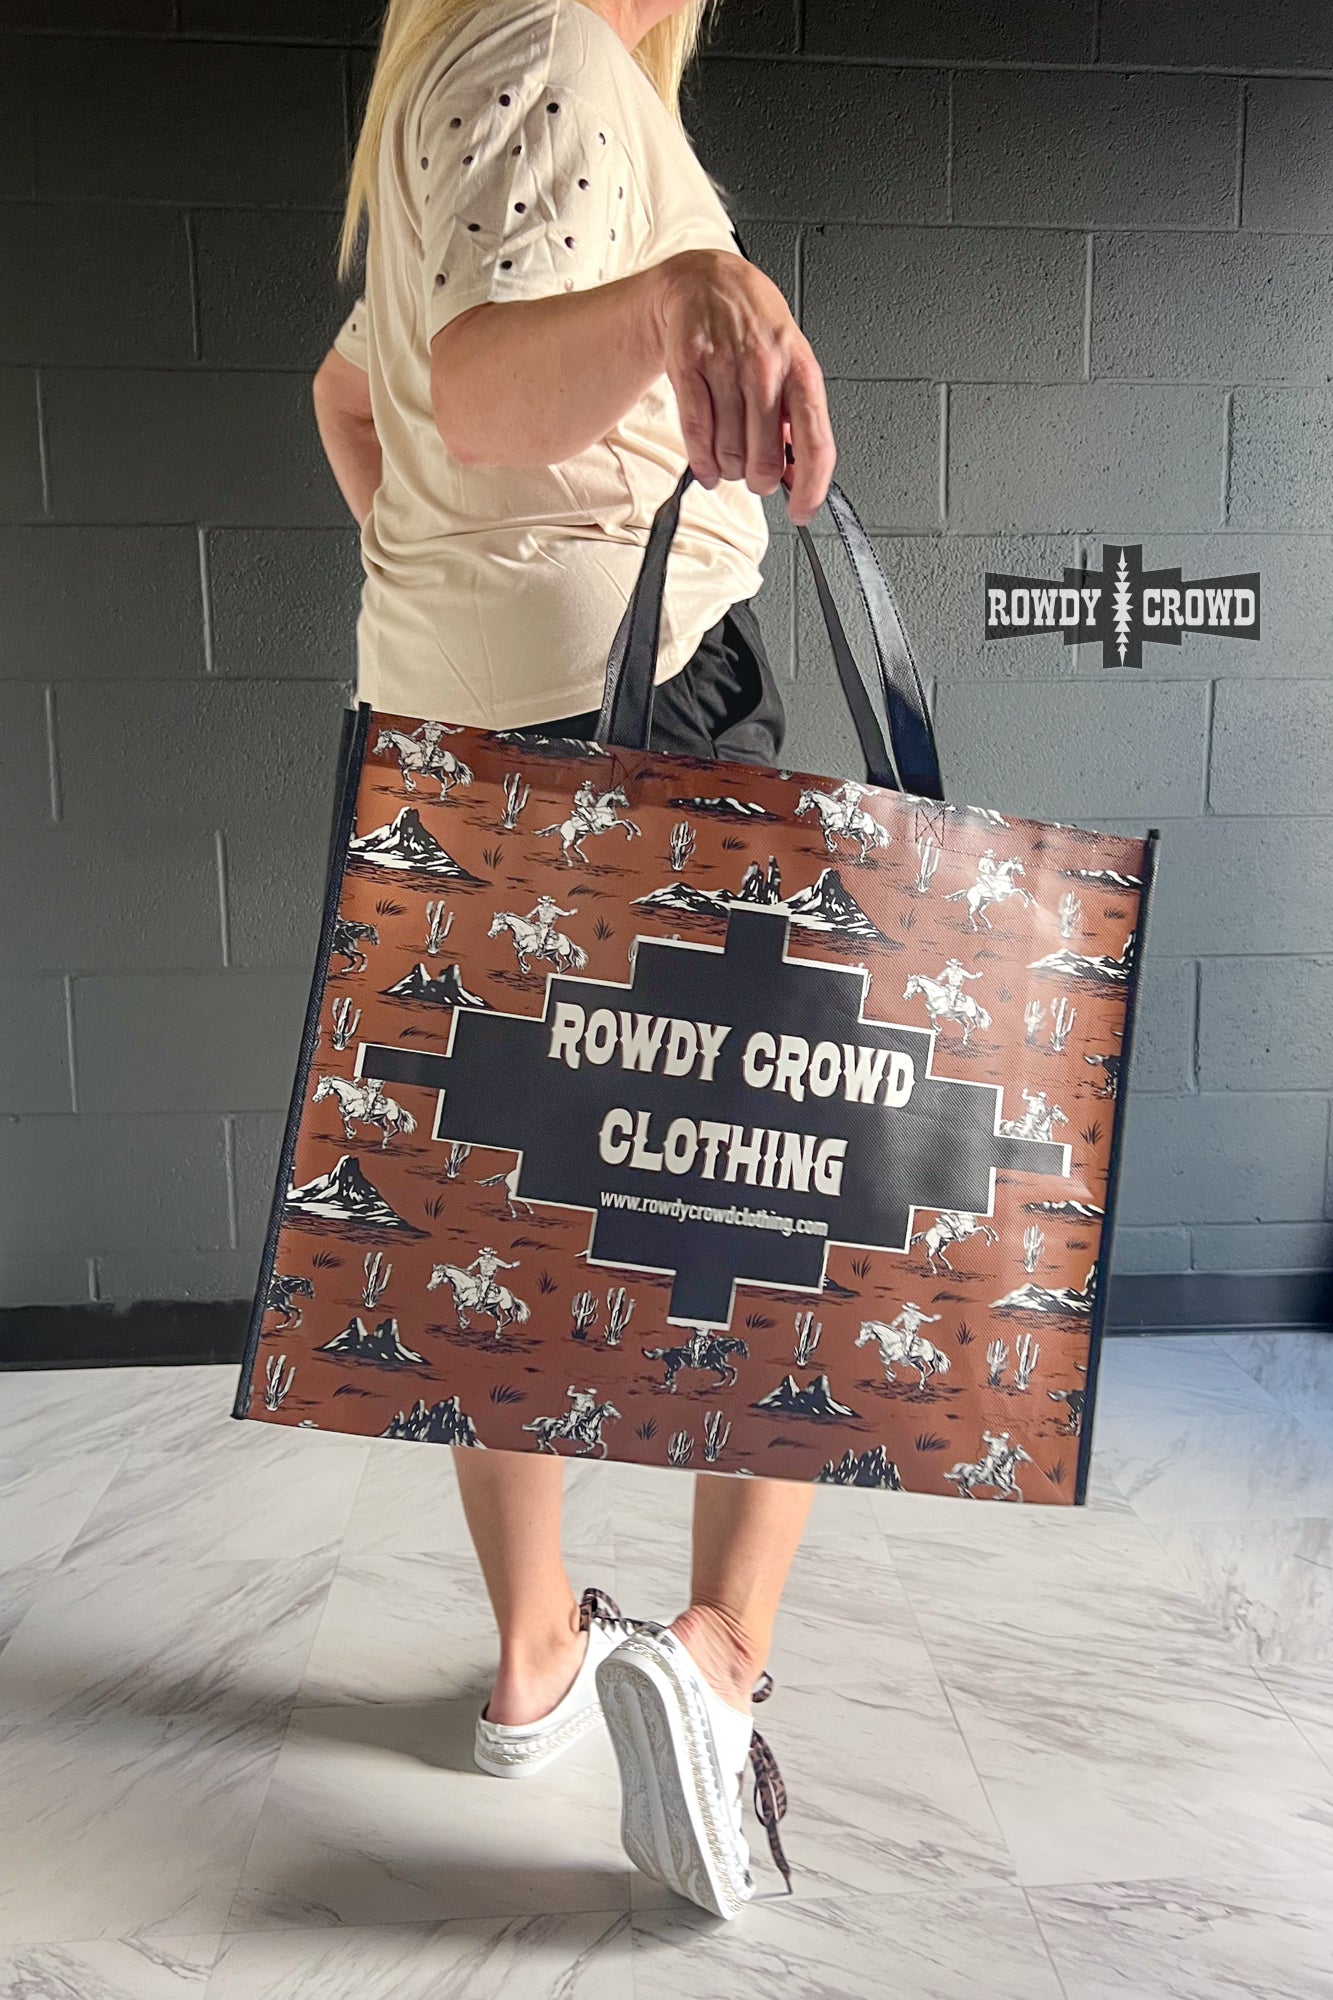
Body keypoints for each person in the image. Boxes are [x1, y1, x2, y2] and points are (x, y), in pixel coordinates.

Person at [312, 0, 836, 1922]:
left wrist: (472, 589)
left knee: (507, 1214)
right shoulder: (555, 47)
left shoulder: (452, 68)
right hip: (651, 706)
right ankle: (715, 1660)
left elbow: (355, 400)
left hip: (446, 731)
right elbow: (472, 395)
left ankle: (536, 1657)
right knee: (769, 1187)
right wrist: (684, 291)